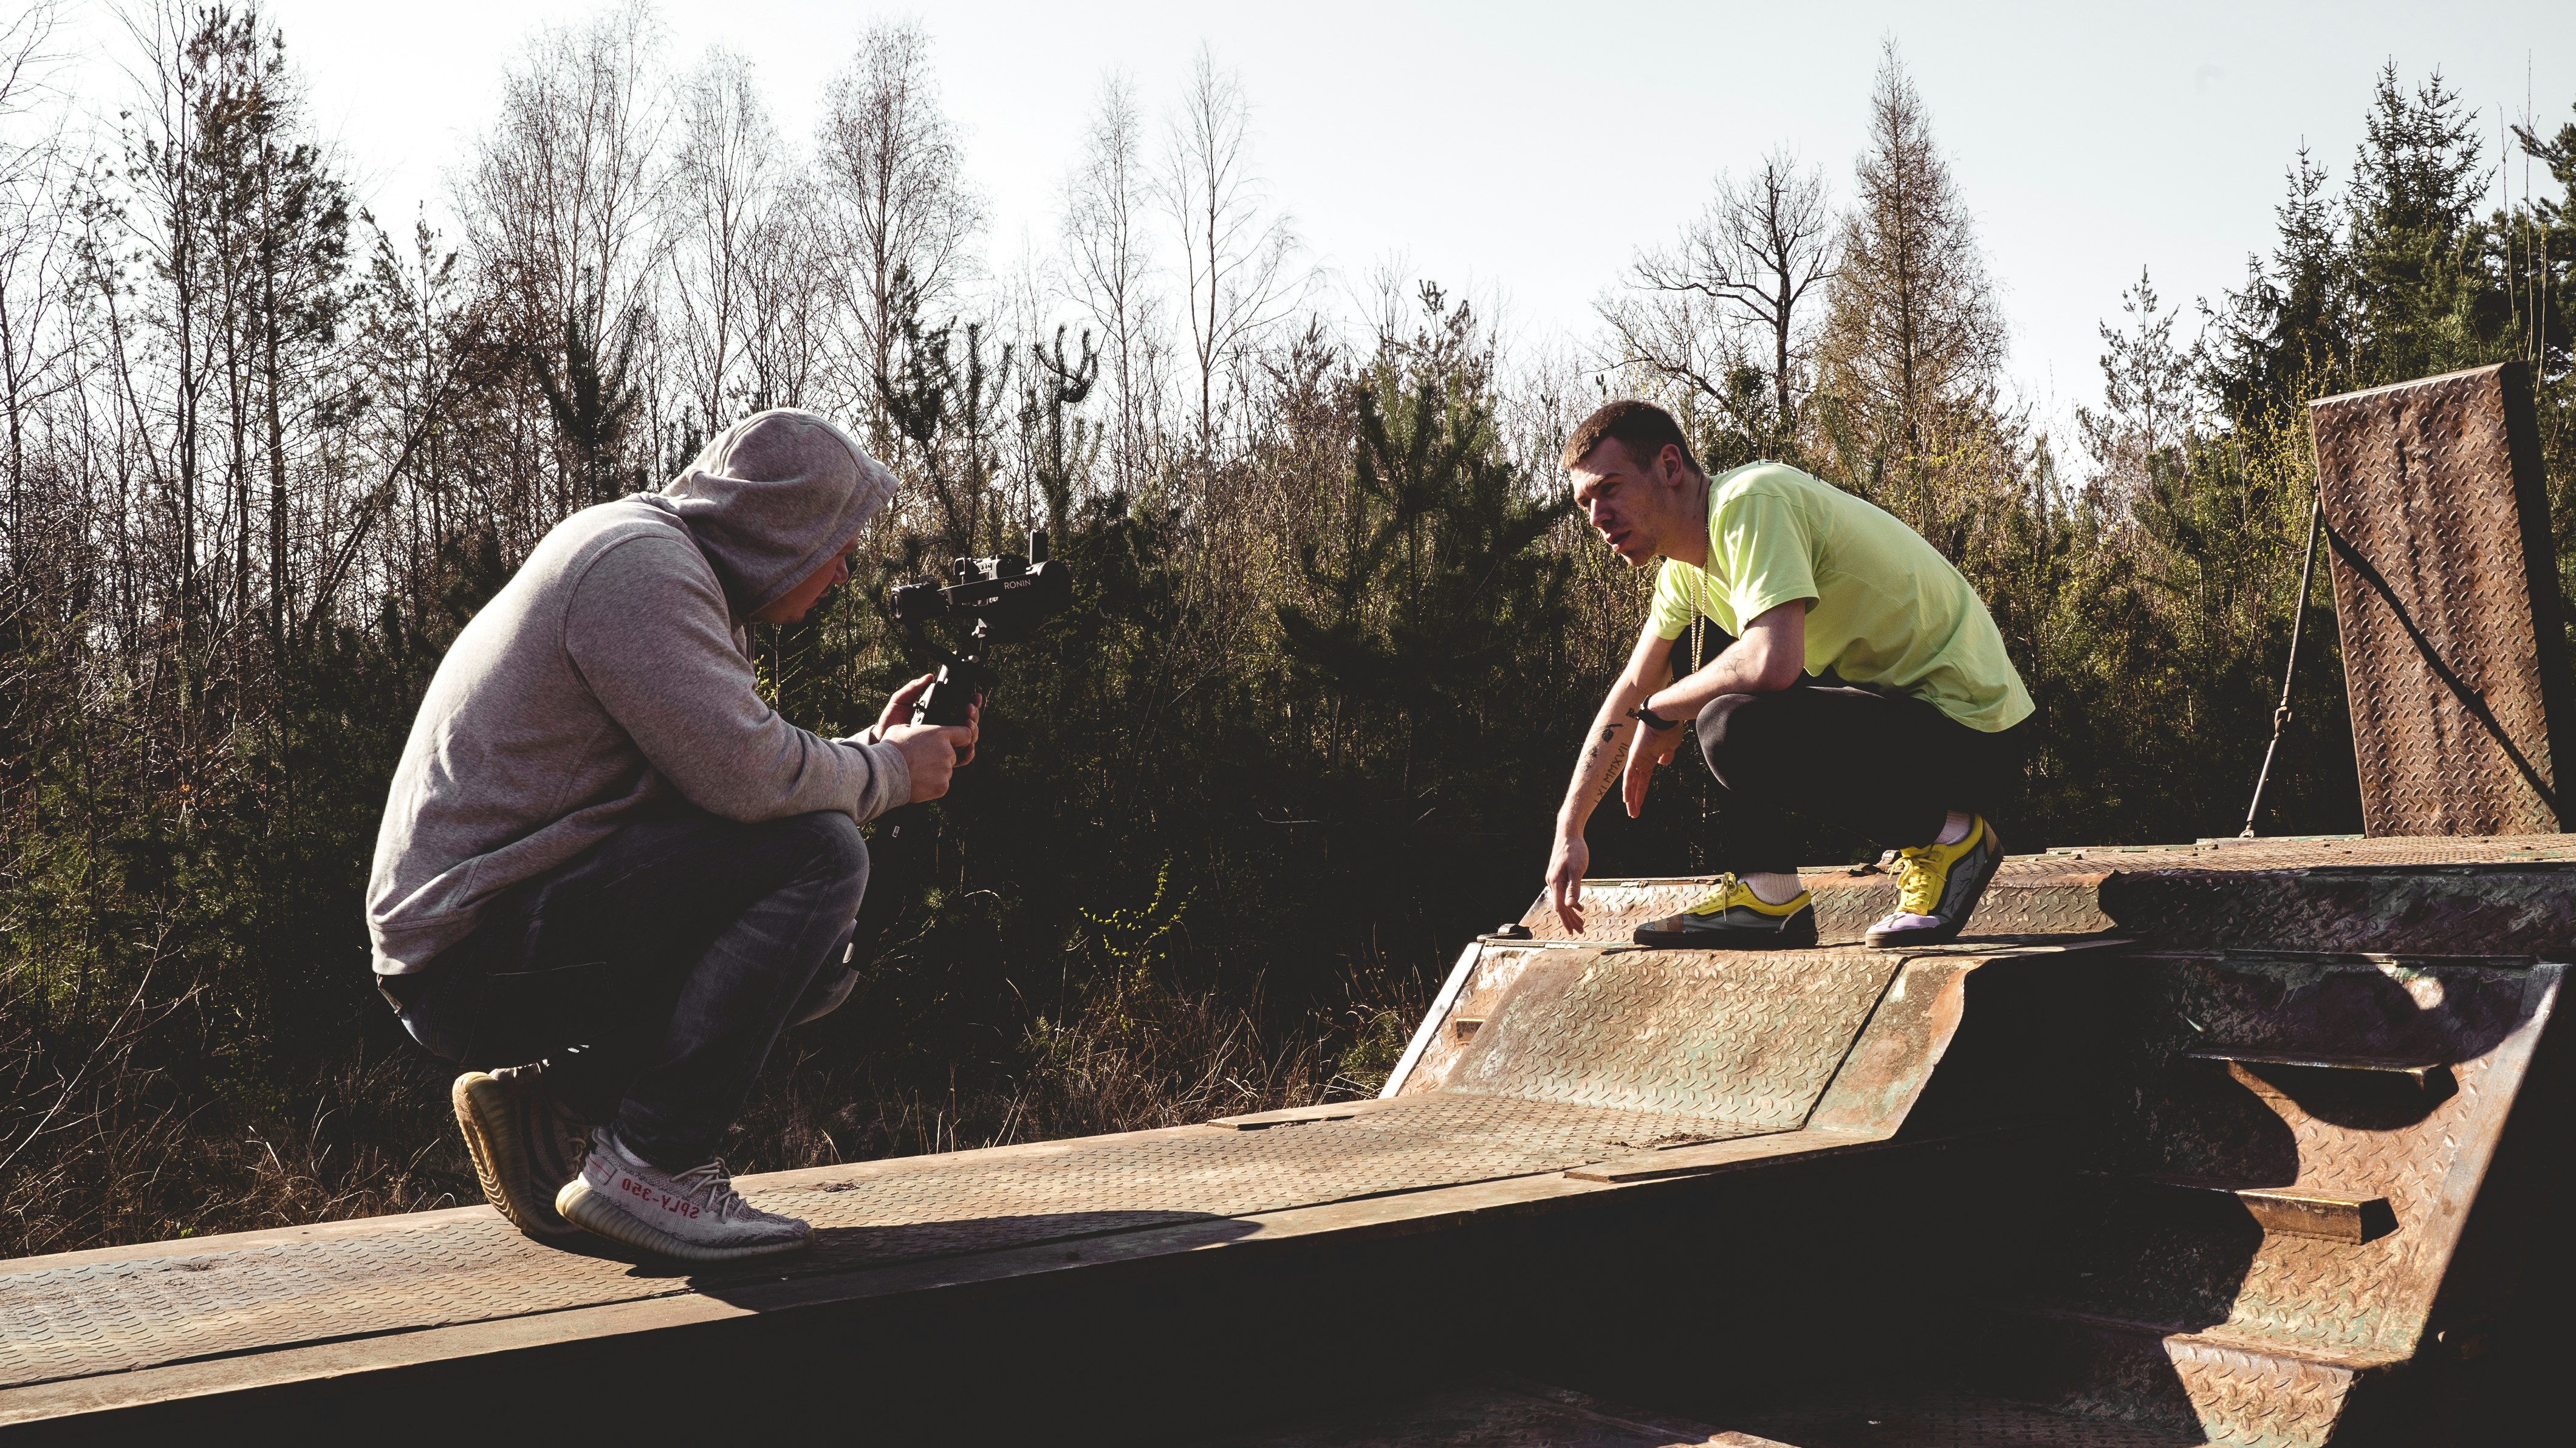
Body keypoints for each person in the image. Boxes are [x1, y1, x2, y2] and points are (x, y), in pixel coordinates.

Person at [367, 408, 976, 1262]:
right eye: (838, 543)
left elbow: (728, 774)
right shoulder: (638, 569)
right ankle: (654, 1168)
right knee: (820, 858)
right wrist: (885, 775)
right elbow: (750, 778)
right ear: (779, 531)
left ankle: (552, 1110)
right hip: (468, 956)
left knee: (814, 952)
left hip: (494, 930)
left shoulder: (664, 564)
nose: (845, 571)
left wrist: (872, 758)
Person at [1544, 400, 2033, 949]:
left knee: (1728, 719)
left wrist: (1662, 709)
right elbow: (1632, 690)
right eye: (1586, 502)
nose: (1596, 516)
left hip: (1974, 734)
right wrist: (1571, 826)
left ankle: (1950, 839)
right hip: (1908, 728)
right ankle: (1767, 893)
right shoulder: (1685, 573)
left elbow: (1771, 664)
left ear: (1670, 466)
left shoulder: (1751, 501)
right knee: (1713, 671)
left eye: (1609, 489)